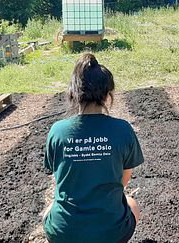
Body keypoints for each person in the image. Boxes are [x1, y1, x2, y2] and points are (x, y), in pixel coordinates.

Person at [42, 53, 144, 243]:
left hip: (64, 232)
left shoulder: (58, 131)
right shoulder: (123, 129)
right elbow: (123, 180)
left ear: (73, 93)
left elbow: (61, 178)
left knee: (50, 210)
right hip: (111, 232)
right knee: (132, 204)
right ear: (107, 95)